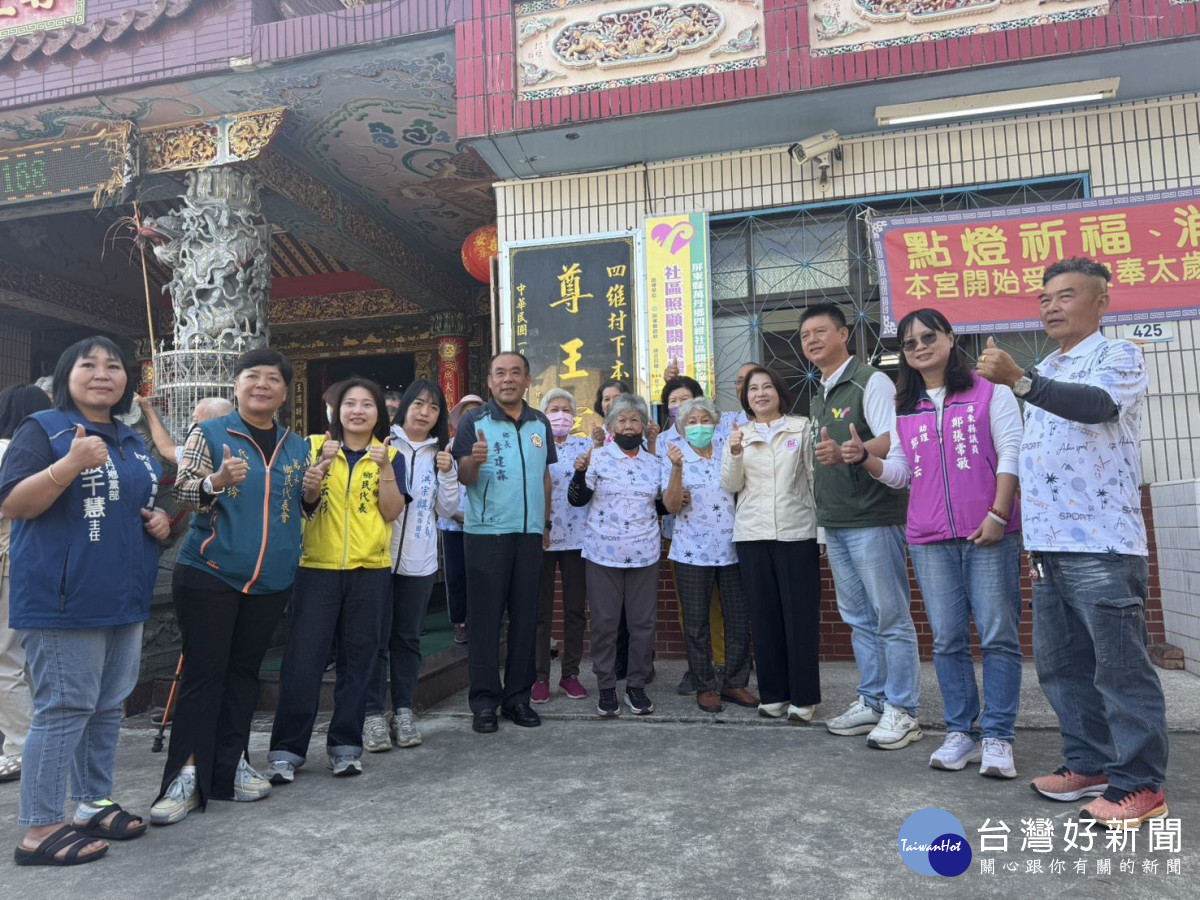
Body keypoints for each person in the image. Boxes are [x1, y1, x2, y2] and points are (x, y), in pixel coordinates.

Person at [979, 257, 1169, 826]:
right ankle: (1089, 764)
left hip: (1102, 544)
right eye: (1045, 298)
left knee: (1120, 669)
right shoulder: (1048, 364)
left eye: (1065, 296)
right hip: (1049, 546)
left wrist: (1020, 380)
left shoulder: (1118, 356)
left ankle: (1141, 784)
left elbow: (1098, 408)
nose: (1051, 306)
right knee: (1063, 667)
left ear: (1101, 302)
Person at [0, 338, 170, 865]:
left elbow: (149, 496)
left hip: (124, 593)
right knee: (64, 707)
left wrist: (161, 520)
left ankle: (92, 802)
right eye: (88, 365)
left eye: (113, 365)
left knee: (107, 704)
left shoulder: (133, 438)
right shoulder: (44, 430)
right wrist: (69, 464)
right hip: (64, 596)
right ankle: (39, 829)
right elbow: (12, 502)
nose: (102, 373)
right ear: (66, 374)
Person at [855, 308, 1023, 778]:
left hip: (988, 533)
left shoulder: (992, 392)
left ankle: (998, 736)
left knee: (997, 638)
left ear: (950, 338)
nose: (920, 347)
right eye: (909, 344)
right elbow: (904, 473)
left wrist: (998, 513)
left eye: (929, 337)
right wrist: (865, 460)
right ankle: (960, 733)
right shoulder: (906, 407)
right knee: (948, 641)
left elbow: (1012, 452)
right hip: (929, 539)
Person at [151, 348, 309, 826]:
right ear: (237, 386)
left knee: (243, 676)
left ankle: (230, 765)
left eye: (273, 379)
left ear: (285, 391)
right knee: (205, 675)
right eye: (252, 377)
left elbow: (297, 508)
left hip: (270, 581)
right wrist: (216, 480)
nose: (262, 385)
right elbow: (182, 492)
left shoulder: (297, 446)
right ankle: (185, 775)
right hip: (211, 573)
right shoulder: (210, 433)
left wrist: (313, 491)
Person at [265, 379, 407, 783]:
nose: (357, 411)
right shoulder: (311, 447)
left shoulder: (390, 455)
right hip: (316, 568)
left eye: (367, 404)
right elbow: (300, 504)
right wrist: (313, 480)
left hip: (370, 571)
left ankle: (346, 746)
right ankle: (287, 751)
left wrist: (383, 470)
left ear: (379, 412)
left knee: (359, 661)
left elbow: (391, 512)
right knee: (302, 662)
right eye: (349, 404)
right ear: (335, 411)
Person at [802, 303, 922, 751]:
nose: (813, 340)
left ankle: (904, 709)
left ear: (844, 334)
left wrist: (856, 451)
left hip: (874, 517)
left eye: (821, 331)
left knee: (890, 616)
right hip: (836, 521)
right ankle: (872, 700)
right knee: (858, 618)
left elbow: (895, 437)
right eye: (806, 336)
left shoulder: (871, 381)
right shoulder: (820, 393)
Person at [453, 352, 555, 733]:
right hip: (486, 535)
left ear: (528, 380)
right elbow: (464, 477)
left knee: (526, 618)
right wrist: (475, 461)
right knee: (485, 621)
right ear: (490, 382)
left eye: (516, 372)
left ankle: (517, 699)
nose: (508, 379)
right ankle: (483, 703)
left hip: (528, 534)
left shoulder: (540, 423)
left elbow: (544, 476)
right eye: (500, 373)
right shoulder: (473, 421)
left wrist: (545, 523)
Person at [719, 367, 820, 723]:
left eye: (767, 387)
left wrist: (819, 532)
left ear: (779, 392)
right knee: (764, 618)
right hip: (752, 534)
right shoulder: (738, 435)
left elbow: (813, 478)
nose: (760, 394)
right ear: (745, 398)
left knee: (800, 618)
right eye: (752, 389)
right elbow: (730, 486)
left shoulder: (803, 427)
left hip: (797, 532)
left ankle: (804, 697)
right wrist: (733, 452)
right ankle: (774, 694)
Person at [362, 381, 458, 751]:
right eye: (418, 404)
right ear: (403, 407)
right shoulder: (382, 445)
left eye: (433, 408)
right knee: (374, 639)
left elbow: (448, 509)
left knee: (407, 639)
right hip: (375, 559)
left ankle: (402, 710)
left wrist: (448, 473)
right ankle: (372, 713)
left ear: (439, 416)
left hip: (419, 562)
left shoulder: (441, 453)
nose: (424, 412)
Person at [569, 394, 661, 717]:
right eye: (621, 420)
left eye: (635, 420)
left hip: (644, 553)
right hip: (602, 553)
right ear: (611, 426)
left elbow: (663, 505)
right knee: (605, 624)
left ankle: (636, 686)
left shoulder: (655, 462)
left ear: (644, 426)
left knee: (643, 624)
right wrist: (579, 474)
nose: (628, 425)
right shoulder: (597, 458)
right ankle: (606, 687)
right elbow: (577, 500)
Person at [664, 397, 755, 713]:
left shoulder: (725, 455)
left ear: (715, 423)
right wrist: (676, 470)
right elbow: (672, 506)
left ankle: (734, 683)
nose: (699, 425)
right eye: (691, 421)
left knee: (738, 619)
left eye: (704, 419)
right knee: (697, 622)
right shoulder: (676, 457)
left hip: (732, 549)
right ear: (682, 427)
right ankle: (705, 686)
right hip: (691, 552)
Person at [0, 386, 51, 786]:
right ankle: (39, 742)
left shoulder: (6, 450)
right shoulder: (46, 451)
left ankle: (20, 747)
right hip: (37, 563)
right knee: (29, 657)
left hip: (6, 563)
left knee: (4, 659)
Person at [533, 389, 591, 704]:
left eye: (566, 409)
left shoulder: (586, 446)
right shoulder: (535, 444)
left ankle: (570, 674)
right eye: (554, 408)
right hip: (541, 536)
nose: (560, 414)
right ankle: (541, 676)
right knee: (540, 611)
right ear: (543, 414)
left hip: (578, 539)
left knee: (574, 610)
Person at [439, 394, 484, 646]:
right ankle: (460, 623)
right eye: (466, 411)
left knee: (481, 573)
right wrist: (456, 515)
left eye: (477, 411)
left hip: (484, 523)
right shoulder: (449, 446)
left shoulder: (491, 444)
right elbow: (439, 485)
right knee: (456, 574)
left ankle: (481, 620)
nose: (472, 415)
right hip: (453, 522)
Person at [135, 395, 232, 465]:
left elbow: (166, 449)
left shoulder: (201, 453)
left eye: (195, 418)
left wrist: (148, 410)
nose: (192, 423)